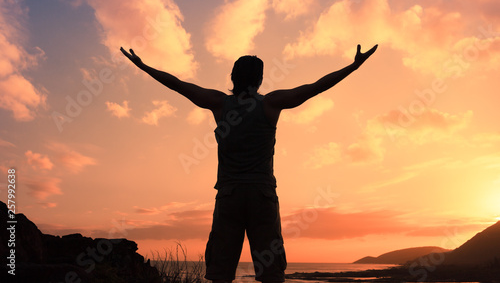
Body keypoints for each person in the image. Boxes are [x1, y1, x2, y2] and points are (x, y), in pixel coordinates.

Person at [120, 44, 378, 283]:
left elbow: (177, 84)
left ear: (233, 77)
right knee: (270, 273)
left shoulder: (220, 103)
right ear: (260, 79)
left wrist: (143, 66)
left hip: (229, 196)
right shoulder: (270, 104)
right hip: (262, 196)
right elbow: (316, 87)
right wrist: (353, 66)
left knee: (220, 273)